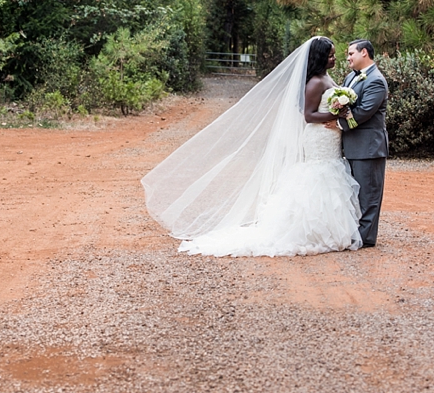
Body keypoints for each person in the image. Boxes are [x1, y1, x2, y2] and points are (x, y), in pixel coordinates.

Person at [141, 37, 361, 257]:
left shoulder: (325, 77)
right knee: (317, 175)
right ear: (320, 57)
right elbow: (308, 115)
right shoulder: (315, 82)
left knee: (328, 175)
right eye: (330, 55)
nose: (334, 58)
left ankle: (326, 228)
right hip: (318, 138)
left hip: (329, 137)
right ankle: (311, 230)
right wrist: (334, 114)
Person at [337, 39, 388, 247]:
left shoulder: (376, 80)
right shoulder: (351, 77)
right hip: (352, 146)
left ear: (364, 53)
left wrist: (339, 123)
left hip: (369, 147)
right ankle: (354, 234)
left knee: (369, 194)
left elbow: (364, 111)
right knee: (353, 194)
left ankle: (365, 238)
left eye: (351, 54)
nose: (348, 58)